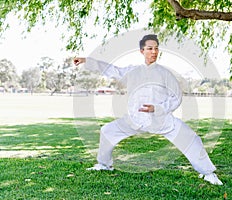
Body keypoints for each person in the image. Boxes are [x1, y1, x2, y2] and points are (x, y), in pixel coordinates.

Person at [73, 34, 223, 185]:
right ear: (142, 51)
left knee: (191, 138)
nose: (154, 52)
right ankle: (104, 165)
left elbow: (176, 97)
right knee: (107, 131)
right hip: (135, 119)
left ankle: (208, 173)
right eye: (150, 48)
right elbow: (111, 70)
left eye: (156, 49)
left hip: (161, 120)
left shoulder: (165, 74)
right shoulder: (133, 71)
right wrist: (87, 61)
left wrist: (157, 108)